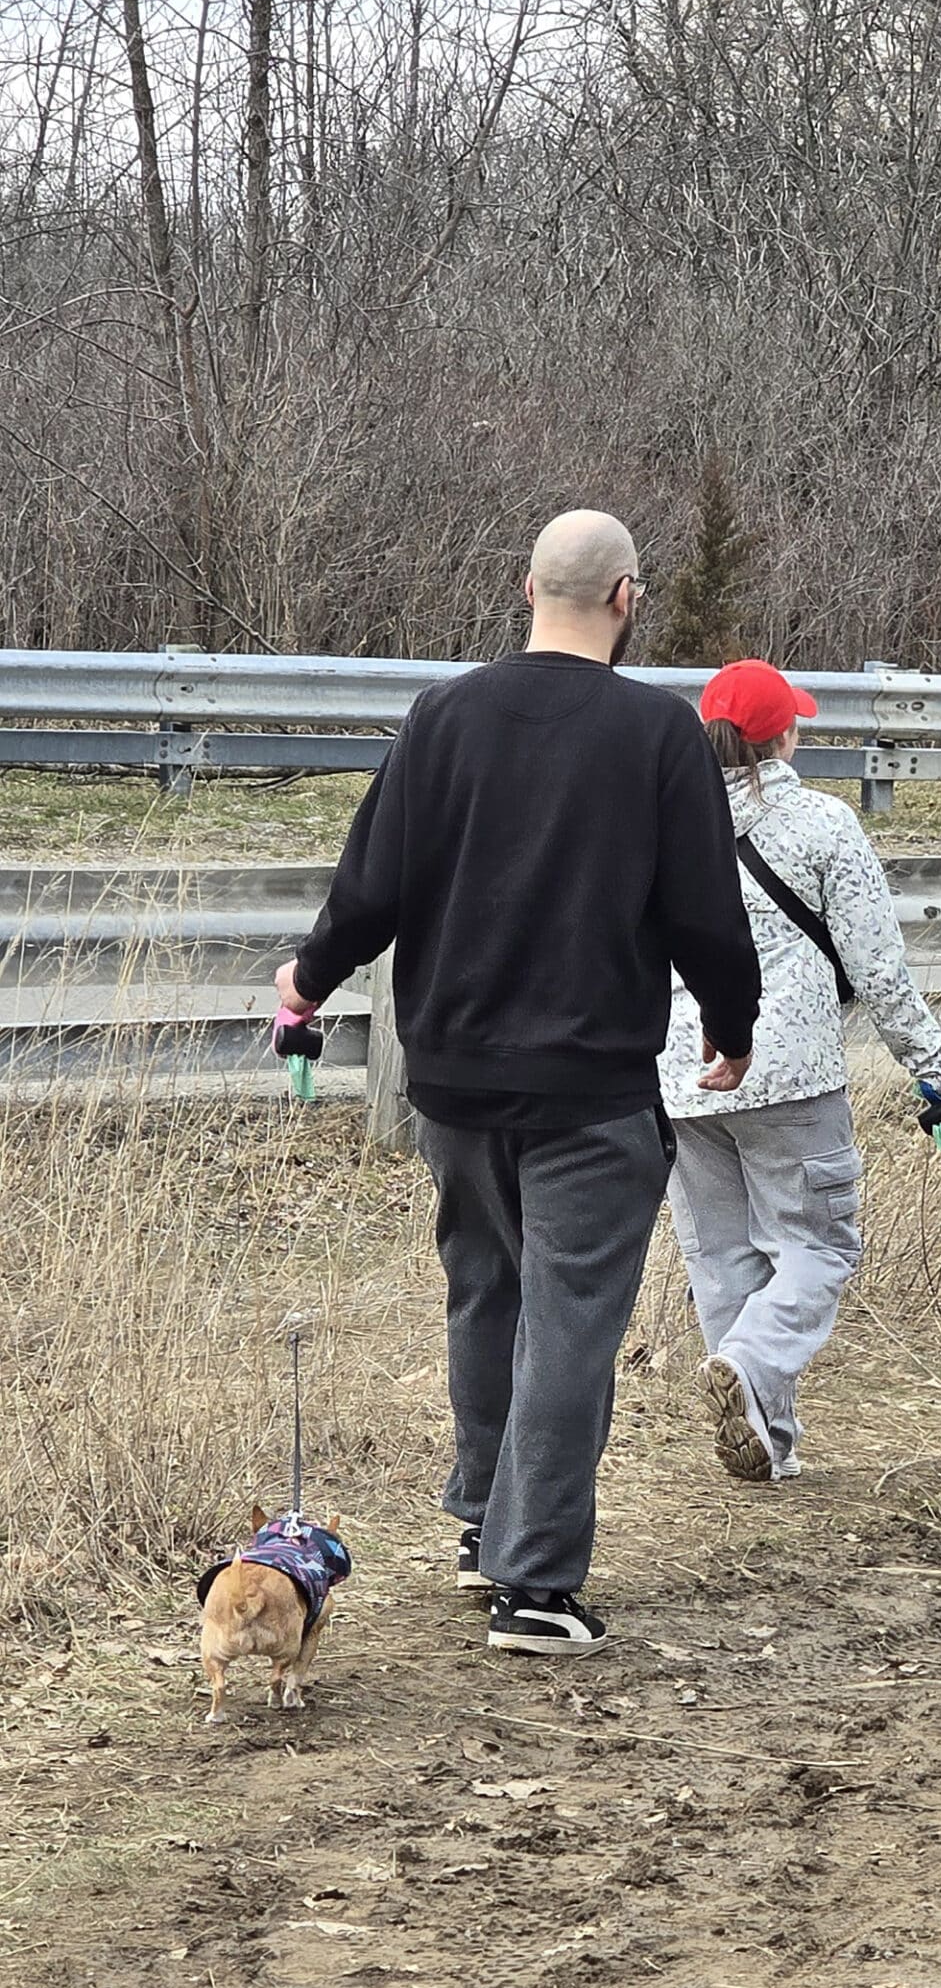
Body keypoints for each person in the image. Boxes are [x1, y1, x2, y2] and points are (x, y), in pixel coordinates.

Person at [273, 510, 760, 1653]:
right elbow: (704, 911)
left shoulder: (443, 716)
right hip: (589, 1091)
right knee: (569, 1324)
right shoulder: (659, 734)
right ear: (628, 599)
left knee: (486, 1297)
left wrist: (307, 979)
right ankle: (534, 1586)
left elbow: (371, 887)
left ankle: (481, 1520)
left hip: (449, 1082)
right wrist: (730, 1026)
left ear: (523, 585)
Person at [660, 657, 941, 1483]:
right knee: (822, 1247)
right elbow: (878, 969)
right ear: (784, 735)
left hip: (680, 1079)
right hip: (793, 1073)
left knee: (724, 1259)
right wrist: (932, 1072)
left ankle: (768, 1439)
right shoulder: (825, 825)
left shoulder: (659, 823)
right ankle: (753, 1369)